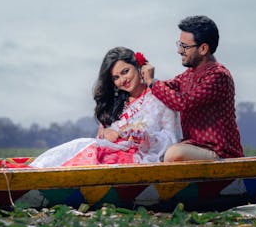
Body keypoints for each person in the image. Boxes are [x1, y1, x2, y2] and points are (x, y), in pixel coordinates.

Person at [29, 47, 181, 167]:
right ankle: (34, 171)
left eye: (125, 72)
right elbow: (103, 137)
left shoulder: (161, 95)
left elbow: (172, 138)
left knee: (86, 150)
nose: (123, 80)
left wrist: (144, 136)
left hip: (139, 160)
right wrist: (107, 132)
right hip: (109, 154)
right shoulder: (117, 103)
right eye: (116, 77)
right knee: (80, 146)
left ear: (138, 66)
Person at [142, 15, 243, 161]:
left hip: (220, 153)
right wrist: (142, 77)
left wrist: (152, 82)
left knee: (173, 154)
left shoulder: (218, 76)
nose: (179, 51)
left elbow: (183, 102)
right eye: (179, 44)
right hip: (195, 148)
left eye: (185, 46)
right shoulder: (188, 75)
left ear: (203, 49)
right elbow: (167, 87)